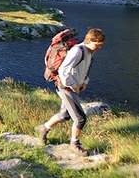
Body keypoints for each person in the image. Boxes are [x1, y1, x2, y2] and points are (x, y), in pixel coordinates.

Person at [35, 28, 105, 156]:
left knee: (65, 115)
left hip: (71, 87)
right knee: (80, 118)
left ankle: (43, 128)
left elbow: (85, 68)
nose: (99, 48)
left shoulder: (89, 51)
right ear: (89, 41)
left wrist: (85, 82)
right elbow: (63, 71)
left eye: (101, 45)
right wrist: (73, 86)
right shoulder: (77, 51)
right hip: (66, 87)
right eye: (97, 45)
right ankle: (75, 144)